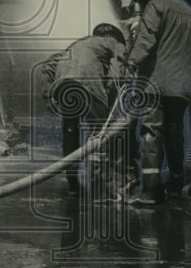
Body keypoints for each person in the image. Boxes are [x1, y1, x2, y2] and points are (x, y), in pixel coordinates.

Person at [123, 0, 191, 206]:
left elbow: (146, 39)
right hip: (182, 86)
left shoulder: (155, 7)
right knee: (174, 132)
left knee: (151, 132)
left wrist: (131, 63)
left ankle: (150, 191)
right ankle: (176, 184)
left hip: (156, 84)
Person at [37, 23, 128, 196]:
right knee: (100, 135)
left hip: (63, 87)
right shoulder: (113, 43)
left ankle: (73, 185)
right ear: (113, 36)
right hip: (88, 85)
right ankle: (101, 188)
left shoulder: (77, 44)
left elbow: (47, 67)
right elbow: (118, 70)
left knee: (70, 134)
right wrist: (112, 91)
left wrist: (48, 95)